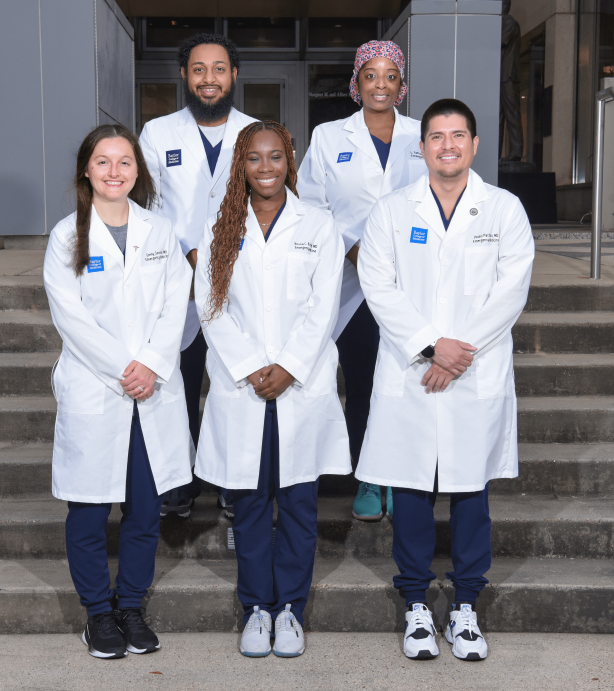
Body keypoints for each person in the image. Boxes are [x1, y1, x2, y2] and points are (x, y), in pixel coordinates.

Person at [355, 99, 534, 661]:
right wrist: (432, 347)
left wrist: (458, 352)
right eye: (437, 136)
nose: (448, 145)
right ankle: (414, 606)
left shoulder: (503, 209)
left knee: (470, 489)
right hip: (414, 369)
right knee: (410, 487)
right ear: (423, 145)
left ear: (475, 145)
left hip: (472, 370)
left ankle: (464, 608)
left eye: (459, 135)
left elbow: (511, 290)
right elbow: (378, 287)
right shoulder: (390, 210)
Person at [193, 121, 350, 658]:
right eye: (254, 159)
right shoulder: (219, 226)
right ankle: (258, 607)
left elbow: (323, 305)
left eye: (276, 157)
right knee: (252, 503)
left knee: (300, 505)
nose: (266, 168)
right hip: (245, 386)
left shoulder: (320, 225)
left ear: (291, 162)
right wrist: (252, 366)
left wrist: (288, 366)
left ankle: (291, 611)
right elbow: (210, 309)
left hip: (299, 384)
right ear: (241, 165)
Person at [44, 124, 194, 659]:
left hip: (149, 388)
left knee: (145, 511)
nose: (114, 172)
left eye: (124, 162)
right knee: (87, 512)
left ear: (138, 170)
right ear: (86, 169)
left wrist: (151, 363)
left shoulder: (159, 231)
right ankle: (98, 614)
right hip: (97, 387)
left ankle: (130, 606)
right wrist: (125, 368)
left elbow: (178, 300)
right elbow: (72, 318)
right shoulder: (67, 236)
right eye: (103, 162)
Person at [297, 40, 426, 522]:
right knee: (363, 381)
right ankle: (368, 478)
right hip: (351, 283)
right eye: (370, 75)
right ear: (357, 82)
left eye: (390, 75)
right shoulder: (330, 136)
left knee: (405, 382)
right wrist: (349, 248)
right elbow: (312, 204)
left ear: (401, 85)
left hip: (410, 280)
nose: (380, 84)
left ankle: (401, 476)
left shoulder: (421, 135)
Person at [139, 33, 258, 519]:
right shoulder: (157, 133)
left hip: (242, 281)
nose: (209, 79)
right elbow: (144, 207)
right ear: (185, 76)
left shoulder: (257, 132)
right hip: (177, 282)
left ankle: (233, 482)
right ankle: (180, 481)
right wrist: (185, 259)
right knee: (180, 385)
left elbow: (273, 203)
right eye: (199, 69)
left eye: (219, 69)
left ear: (234, 75)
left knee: (234, 386)